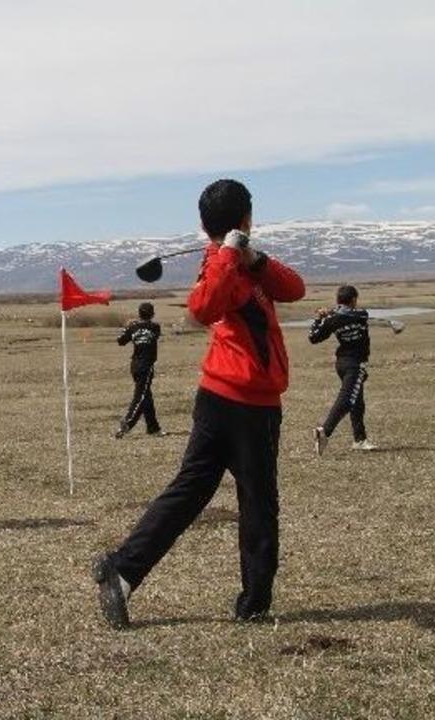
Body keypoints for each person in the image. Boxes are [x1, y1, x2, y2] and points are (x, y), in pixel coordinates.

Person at [93, 179, 306, 627]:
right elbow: (204, 305)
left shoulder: (244, 265)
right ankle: (254, 606)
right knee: (258, 503)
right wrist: (228, 254)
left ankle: (123, 572)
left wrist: (254, 258)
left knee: (191, 492)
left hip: (228, 399)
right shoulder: (219, 265)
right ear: (247, 217)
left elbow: (295, 289)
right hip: (244, 403)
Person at [309, 284, 402, 454]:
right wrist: (329, 315)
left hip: (342, 364)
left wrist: (321, 318)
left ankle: (360, 440)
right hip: (355, 365)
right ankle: (324, 431)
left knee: (357, 401)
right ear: (353, 300)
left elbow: (313, 336)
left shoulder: (336, 319)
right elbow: (355, 314)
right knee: (348, 399)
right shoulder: (358, 314)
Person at [114, 302, 165, 438]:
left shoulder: (133, 327)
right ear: (152, 314)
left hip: (135, 365)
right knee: (141, 397)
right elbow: (155, 334)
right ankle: (127, 423)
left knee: (146, 395)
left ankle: (153, 428)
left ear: (139, 313)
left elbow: (120, 341)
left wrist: (128, 327)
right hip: (146, 366)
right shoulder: (155, 327)